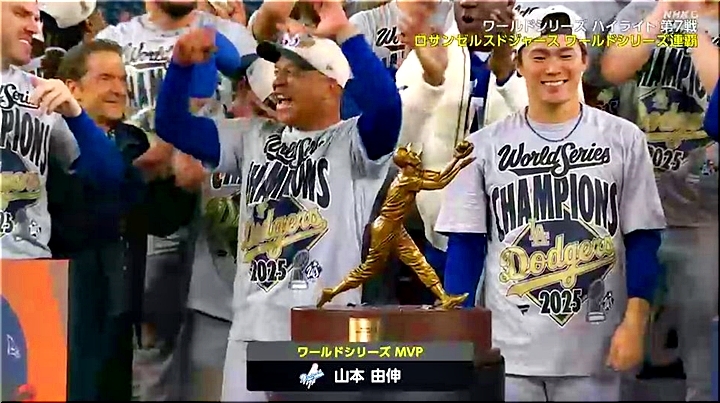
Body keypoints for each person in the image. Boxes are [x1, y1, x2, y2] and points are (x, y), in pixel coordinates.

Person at [153, 1, 402, 400]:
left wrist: (344, 32)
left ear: (331, 85)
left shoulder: (354, 144)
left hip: (324, 333)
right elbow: (172, 125)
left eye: (295, 72)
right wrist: (180, 68)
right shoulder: (253, 136)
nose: (279, 82)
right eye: (278, 71)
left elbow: (387, 107)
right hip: (251, 329)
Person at [436, 7, 666, 401]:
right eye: (539, 55)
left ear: (584, 60)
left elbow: (642, 238)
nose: (553, 67)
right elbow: (466, 247)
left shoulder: (624, 139)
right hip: (509, 349)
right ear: (520, 64)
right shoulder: (481, 147)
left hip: (596, 349)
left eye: (565, 54)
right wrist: (459, 332)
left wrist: (636, 321)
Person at [94, 2, 257, 400]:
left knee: (221, 336)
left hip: (222, 207)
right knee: (151, 336)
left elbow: (257, 101)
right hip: (147, 206)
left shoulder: (231, 36)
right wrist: (163, 156)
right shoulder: (115, 40)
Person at [49, 39, 197, 401]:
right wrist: (138, 173)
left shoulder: (134, 141)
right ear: (73, 88)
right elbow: (88, 207)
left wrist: (179, 180)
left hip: (121, 305)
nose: (119, 89)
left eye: (122, 79)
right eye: (105, 78)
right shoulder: (48, 138)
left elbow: (160, 219)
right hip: (62, 301)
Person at [601, 1, 719, 400]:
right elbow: (614, 68)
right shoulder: (639, 11)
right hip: (633, 208)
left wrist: (688, 25)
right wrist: (665, 8)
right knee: (621, 333)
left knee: (702, 337)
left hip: (704, 210)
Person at [394, 0, 532, 295]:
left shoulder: (546, 50)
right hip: (444, 238)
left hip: (527, 244)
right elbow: (395, 144)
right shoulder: (432, 50)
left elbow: (563, 136)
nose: (467, 2)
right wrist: (431, 83)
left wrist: (508, 77)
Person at [178, 58, 275, 402]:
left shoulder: (302, 139)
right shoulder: (215, 133)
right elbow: (181, 175)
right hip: (215, 306)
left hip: (278, 307)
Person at [1, 0, 126, 260]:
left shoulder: (42, 93)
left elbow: (110, 178)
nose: (34, 29)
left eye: (36, 19)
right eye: (21, 14)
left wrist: (76, 116)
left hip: (30, 263)